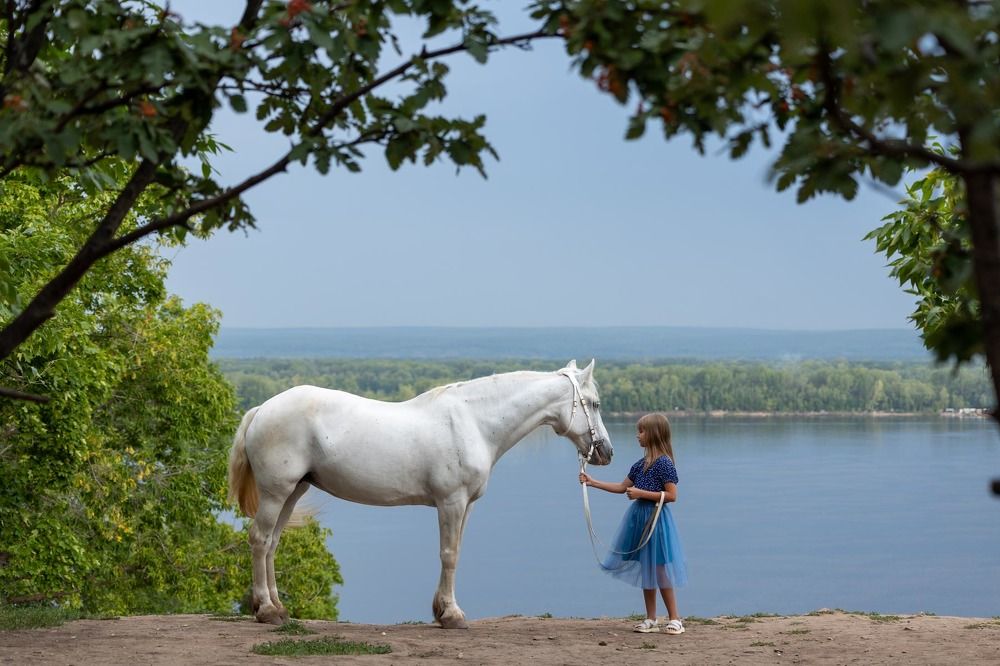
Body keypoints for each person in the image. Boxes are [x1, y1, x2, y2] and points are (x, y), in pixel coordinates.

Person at [579, 412, 688, 634]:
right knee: (646, 568)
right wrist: (593, 482)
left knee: (659, 569)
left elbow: (672, 495)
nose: (637, 435)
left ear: (654, 434)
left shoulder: (664, 464)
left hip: (655, 521)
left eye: (641, 431)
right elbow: (622, 487)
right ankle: (651, 618)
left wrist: (641, 493)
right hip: (638, 519)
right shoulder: (640, 465)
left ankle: (675, 618)